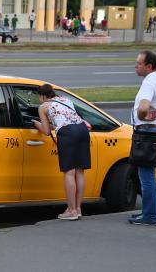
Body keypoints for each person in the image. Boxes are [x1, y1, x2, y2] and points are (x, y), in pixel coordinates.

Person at [33, 84, 91, 220]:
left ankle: (71, 210)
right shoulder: (65, 100)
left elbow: (46, 131)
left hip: (68, 134)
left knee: (69, 172)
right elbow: (65, 119)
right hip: (82, 130)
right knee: (80, 171)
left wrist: (36, 123)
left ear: (42, 96)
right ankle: (77, 208)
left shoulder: (43, 107)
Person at [128, 51, 156, 226]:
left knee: (146, 178)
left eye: (139, 63)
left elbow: (144, 107)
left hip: (148, 133)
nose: (135, 66)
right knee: (148, 175)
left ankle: (150, 216)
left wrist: (142, 115)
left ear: (149, 66)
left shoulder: (149, 82)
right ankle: (148, 213)